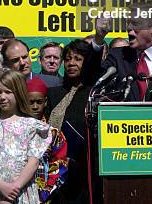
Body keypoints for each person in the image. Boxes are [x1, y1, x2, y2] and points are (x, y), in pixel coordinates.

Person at [0, 69, 52, 204]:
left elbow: (32, 163)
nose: (2, 97)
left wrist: (12, 190)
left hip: (21, 192)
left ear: (19, 92)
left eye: (8, 92)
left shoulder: (32, 125)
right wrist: (1, 186)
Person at [45, 39, 99, 203]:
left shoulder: (94, 95)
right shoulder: (53, 93)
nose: (71, 63)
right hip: (55, 171)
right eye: (68, 59)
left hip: (85, 173)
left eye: (77, 59)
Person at [26, 78, 68, 202]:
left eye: (39, 102)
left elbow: (60, 165)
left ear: (45, 102)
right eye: (30, 102)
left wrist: (45, 193)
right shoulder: (15, 131)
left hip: (45, 196)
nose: (35, 107)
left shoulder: (54, 134)